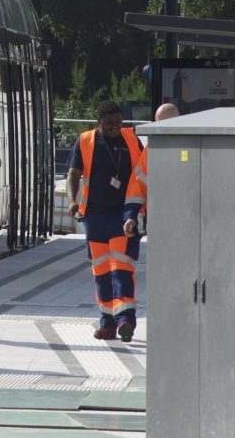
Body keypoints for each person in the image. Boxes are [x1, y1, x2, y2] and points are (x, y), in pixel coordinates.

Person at [67, 100, 144, 342]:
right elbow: (73, 174)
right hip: (95, 217)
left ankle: (125, 321)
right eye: (110, 124)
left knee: (122, 269)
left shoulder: (132, 140)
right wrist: (72, 201)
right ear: (99, 122)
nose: (116, 128)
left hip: (123, 216)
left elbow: (144, 175)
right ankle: (107, 323)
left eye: (119, 123)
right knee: (101, 271)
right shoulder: (86, 141)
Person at [122, 103, 180, 238]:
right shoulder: (152, 149)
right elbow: (138, 184)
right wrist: (130, 215)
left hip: (189, 217)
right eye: (160, 123)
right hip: (159, 218)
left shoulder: (193, 143)